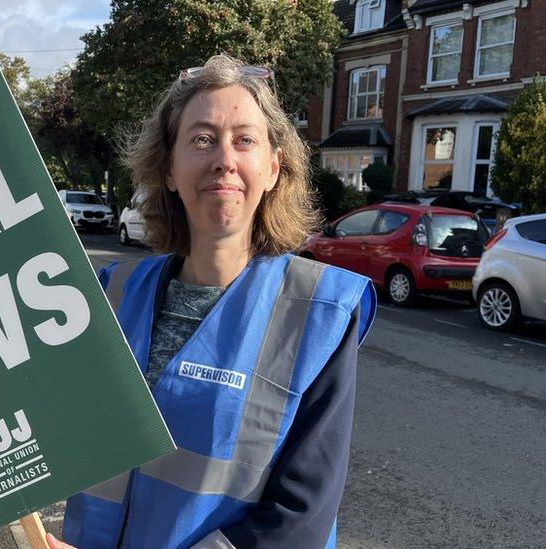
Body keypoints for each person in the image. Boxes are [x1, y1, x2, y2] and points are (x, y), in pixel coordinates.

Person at [52, 55, 376, 549]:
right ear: (168, 170)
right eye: (202, 139)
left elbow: (299, 519)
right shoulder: (110, 294)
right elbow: (60, 440)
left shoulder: (322, 312)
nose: (224, 158)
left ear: (273, 168)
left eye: (244, 140)